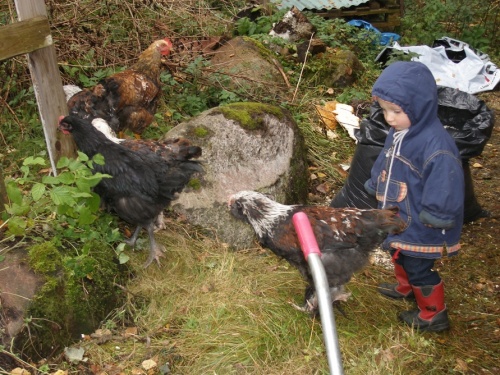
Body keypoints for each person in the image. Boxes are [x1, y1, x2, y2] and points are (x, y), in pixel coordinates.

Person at [364, 61, 464, 332]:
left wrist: (438, 215)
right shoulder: (399, 133)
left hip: (423, 221)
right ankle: (406, 287)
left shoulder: (437, 146)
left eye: (396, 110)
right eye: (384, 110)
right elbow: (386, 160)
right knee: (400, 253)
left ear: (419, 105)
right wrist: (376, 183)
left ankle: (433, 314)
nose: (389, 118)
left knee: (419, 266)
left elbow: (446, 184)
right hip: (401, 214)